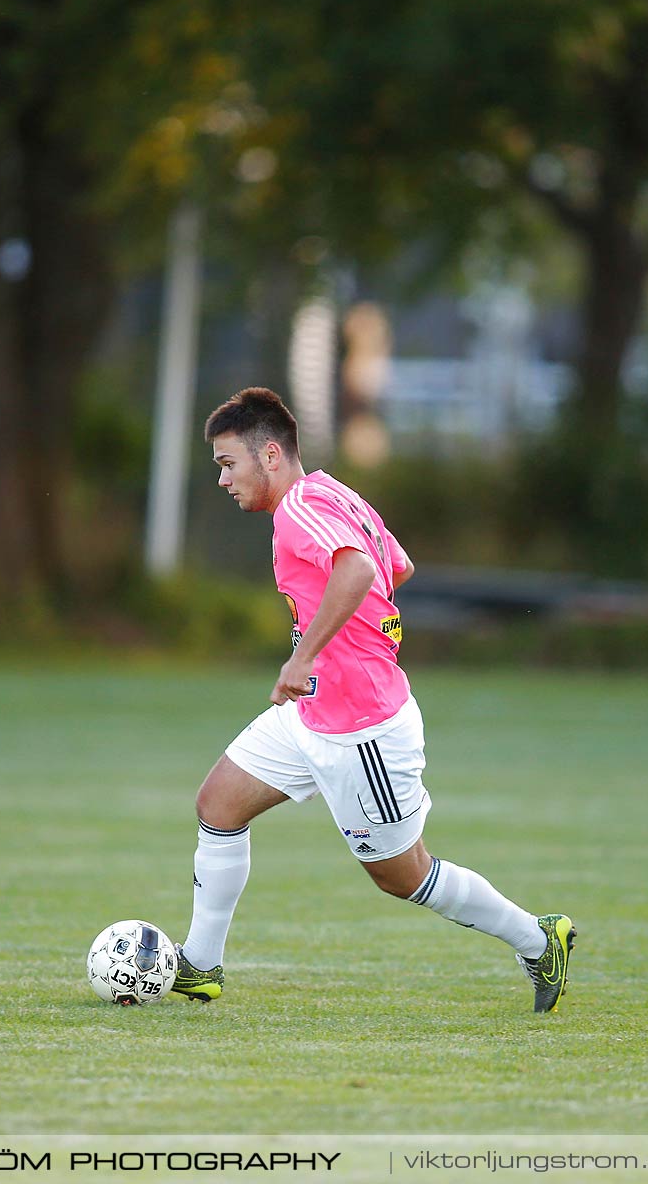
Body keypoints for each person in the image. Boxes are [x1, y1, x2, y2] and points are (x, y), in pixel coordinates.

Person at [174, 387, 575, 1011]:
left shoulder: (299, 507)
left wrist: (305, 655)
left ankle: (537, 937)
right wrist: (352, 636)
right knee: (218, 804)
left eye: (229, 463)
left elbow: (360, 569)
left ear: (271, 455)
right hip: (312, 713)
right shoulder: (333, 491)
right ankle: (200, 965)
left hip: (360, 727)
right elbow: (400, 565)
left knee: (402, 875)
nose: (223, 478)